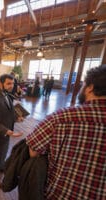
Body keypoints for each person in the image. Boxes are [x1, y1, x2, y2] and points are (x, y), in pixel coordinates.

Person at [26, 65, 106, 199]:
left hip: (61, 193)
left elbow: (33, 150)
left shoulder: (61, 117)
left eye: (83, 84)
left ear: (90, 87)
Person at [0, 74, 23, 187]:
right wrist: (5, 130)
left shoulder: (8, 95)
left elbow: (9, 113)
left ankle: (0, 166)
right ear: (1, 83)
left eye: (12, 83)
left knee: (3, 151)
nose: (11, 86)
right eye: (8, 83)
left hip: (7, 131)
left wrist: (17, 119)